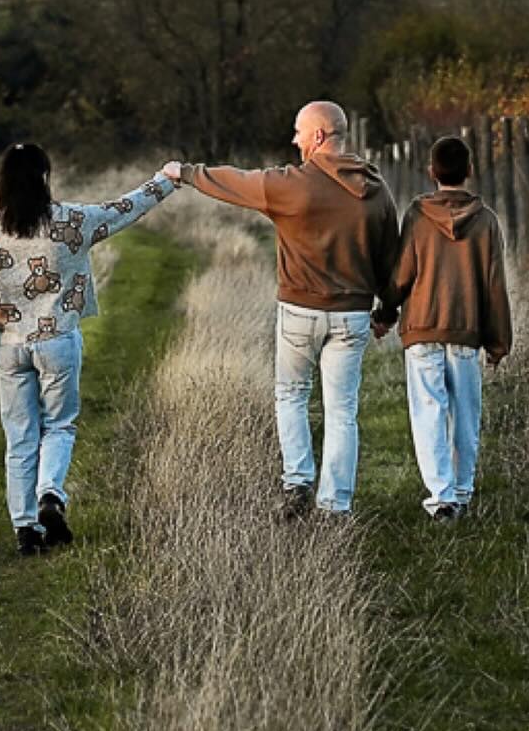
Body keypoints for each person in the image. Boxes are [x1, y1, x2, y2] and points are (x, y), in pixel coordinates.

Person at [166, 100, 399, 518]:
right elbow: (389, 258)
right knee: (342, 410)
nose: (293, 140)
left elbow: (236, 183)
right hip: (352, 315)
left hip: (299, 313)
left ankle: (297, 485)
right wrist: (387, 311)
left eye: (298, 132)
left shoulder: (291, 184)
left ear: (318, 136)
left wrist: (185, 173)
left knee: (291, 395)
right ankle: (335, 506)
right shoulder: (376, 188)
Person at [0, 144, 175, 554]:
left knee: (19, 439)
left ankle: (25, 530)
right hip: (58, 343)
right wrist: (166, 180)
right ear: (44, 178)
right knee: (58, 426)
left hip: (12, 347)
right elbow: (125, 208)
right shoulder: (74, 219)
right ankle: (50, 496)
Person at [374, 134, 512, 522]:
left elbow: (402, 274)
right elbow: (494, 285)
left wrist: (385, 313)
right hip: (466, 330)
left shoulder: (417, 216)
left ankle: (441, 497)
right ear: (469, 170)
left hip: (422, 330)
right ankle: (463, 492)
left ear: (431, 171)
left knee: (429, 412)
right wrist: (498, 342)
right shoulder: (485, 221)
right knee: (466, 414)